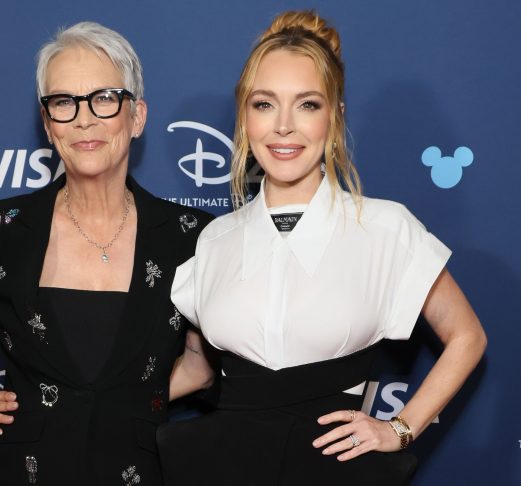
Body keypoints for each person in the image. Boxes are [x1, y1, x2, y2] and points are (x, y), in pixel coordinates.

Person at [160, 10, 487, 485]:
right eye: (265, 104)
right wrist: (91, 403)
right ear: (245, 116)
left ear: (335, 116)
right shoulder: (215, 239)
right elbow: (196, 368)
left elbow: (467, 336)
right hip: (217, 466)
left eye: (307, 104)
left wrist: (400, 427)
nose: (284, 127)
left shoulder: (384, 228)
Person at [0, 21, 212, 485]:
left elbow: (220, 367)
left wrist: (158, 392)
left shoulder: (191, 237)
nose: (84, 119)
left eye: (104, 98)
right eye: (63, 102)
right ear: (48, 123)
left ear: (137, 116)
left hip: (134, 471)